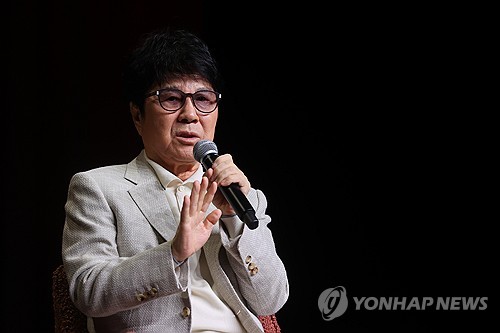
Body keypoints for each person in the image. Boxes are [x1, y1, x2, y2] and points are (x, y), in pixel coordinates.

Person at [61, 28, 289, 333]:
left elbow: (270, 300)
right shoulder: (97, 188)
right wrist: (173, 253)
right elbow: (88, 290)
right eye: (171, 98)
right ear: (137, 116)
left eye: (203, 99)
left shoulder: (243, 195)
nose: (190, 115)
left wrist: (235, 220)